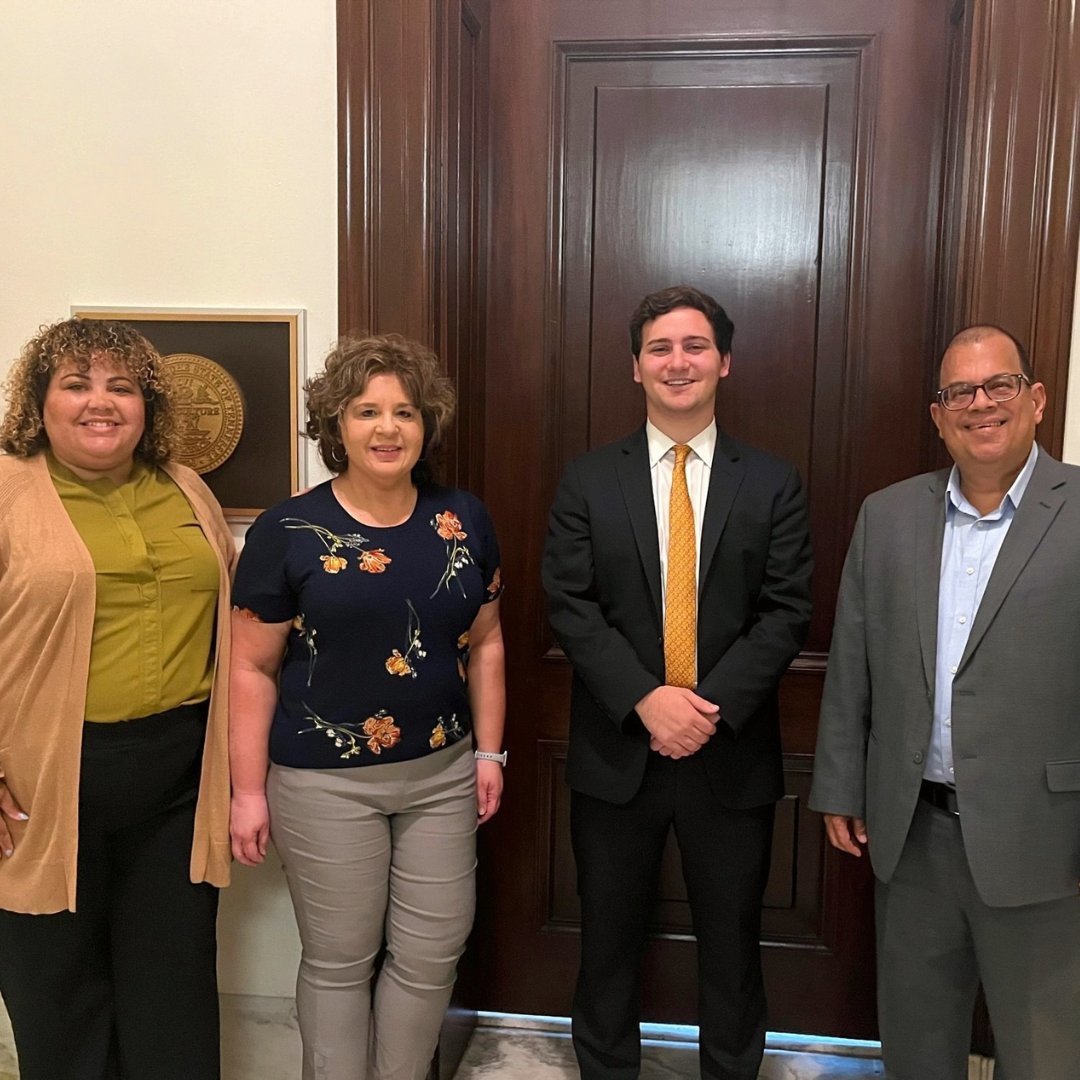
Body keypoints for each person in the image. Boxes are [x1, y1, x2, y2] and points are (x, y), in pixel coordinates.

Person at [542, 285, 813, 1080]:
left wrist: (703, 711)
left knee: (732, 949)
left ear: (724, 361)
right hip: (617, 753)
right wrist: (647, 700)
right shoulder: (589, 480)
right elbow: (569, 602)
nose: (678, 362)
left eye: (695, 346)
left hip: (728, 757)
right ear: (636, 368)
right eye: (660, 348)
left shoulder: (772, 483)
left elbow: (786, 611)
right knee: (607, 945)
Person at [229, 332, 505, 1080]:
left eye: (406, 412)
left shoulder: (463, 519)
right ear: (335, 427)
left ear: (427, 425)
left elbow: (486, 643)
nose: (388, 428)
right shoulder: (285, 532)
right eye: (366, 411)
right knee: (341, 958)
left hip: (444, 776)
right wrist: (248, 792)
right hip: (324, 786)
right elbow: (250, 670)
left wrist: (488, 752)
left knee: (432, 950)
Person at [809, 325, 1080, 1079]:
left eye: (998, 386)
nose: (979, 405)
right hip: (914, 835)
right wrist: (839, 784)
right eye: (959, 392)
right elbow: (853, 660)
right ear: (938, 415)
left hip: (1047, 840)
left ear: (1036, 400)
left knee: (1046, 1052)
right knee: (917, 1046)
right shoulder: (888, 517)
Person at [0, 318, 235, 1080]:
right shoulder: (7, 490)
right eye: (76, 384)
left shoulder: (183, 487)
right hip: (44, 786)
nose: (100, 403)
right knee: (58, 992)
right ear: (39, 404)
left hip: (177, 782)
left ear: (146, 406)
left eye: (120, 387)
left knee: (173, 990)